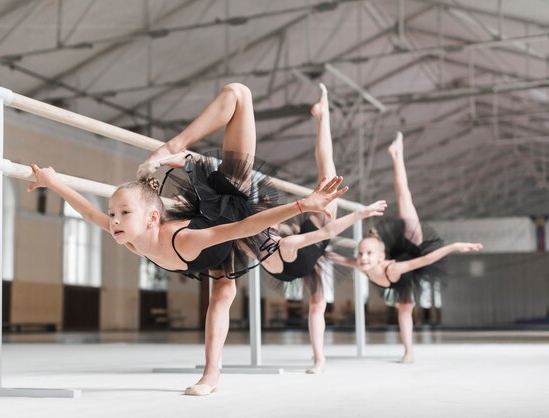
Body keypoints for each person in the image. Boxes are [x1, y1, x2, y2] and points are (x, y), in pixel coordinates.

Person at [28, 83, 348, 396]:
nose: (113, 221)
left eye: (123, 213)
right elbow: (90, 214)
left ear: (153, 218)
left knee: (239, 93)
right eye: (114, 214)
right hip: (216, 243)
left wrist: (303, 205)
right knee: (223, 293)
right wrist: (53, 182)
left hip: (230, 198)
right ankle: (212, 373)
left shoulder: (183, 240)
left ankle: (178, 145)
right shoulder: (128, 237)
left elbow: (244, 228)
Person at [261, 84, 386, 374]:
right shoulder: (326, 221)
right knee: (327, 167)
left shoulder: (342, 253)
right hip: (313, 233)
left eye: (368, 257)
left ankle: (319, 359)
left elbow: (346, 258)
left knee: (317, 305)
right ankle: (323, 116)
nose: (365, 259)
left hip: (311, 245)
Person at [328, 132, 482, 363]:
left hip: (413, 247)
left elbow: (424, 261)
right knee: (404, 309)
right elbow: (344, 260)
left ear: (380, 257)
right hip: (401, 275)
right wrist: (320, 252)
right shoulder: (365, 265)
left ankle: (396, 155)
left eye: (368, 254)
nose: (361, 258)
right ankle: (409, 352)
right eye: (361, 254)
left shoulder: (391, 268)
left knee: (404, 198)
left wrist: (453, 247)